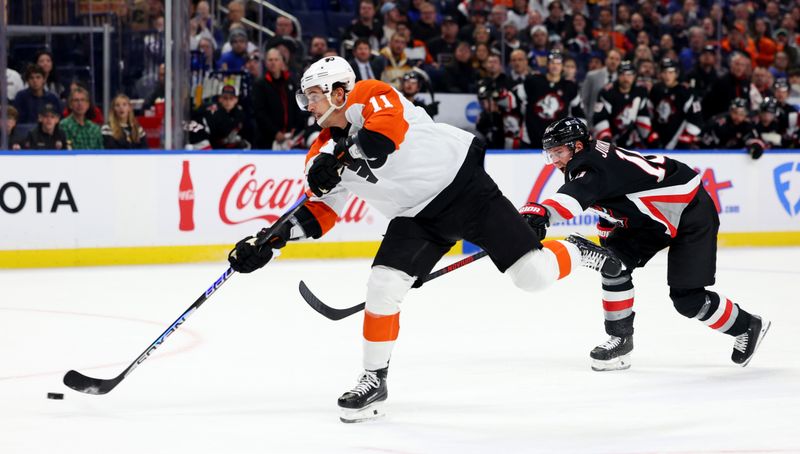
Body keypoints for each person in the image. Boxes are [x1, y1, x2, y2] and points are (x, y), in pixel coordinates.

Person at [226, 56, 621, 423]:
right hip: (415, 217)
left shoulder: (370, 95)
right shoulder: (319, 153)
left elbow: (383, 141)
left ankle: (575, 248)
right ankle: (373, 380)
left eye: (313, 96)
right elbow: (320, 212)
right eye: (305, 97)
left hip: (465, 189)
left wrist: (340, 153)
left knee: (533, 277)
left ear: (339, 92)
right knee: (382, 285)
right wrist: (269, 240)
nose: (307, 105)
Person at [526, 117, 770, 372]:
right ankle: (620, 340)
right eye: (550, 154)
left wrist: (539, 214)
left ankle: (748, 325)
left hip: (689, 210)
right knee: (613, 265)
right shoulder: (587, 160)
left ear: (576, 146)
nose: (554, 160)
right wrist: (609, 248)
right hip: (651, 220)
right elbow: (607, 201)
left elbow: (571, 199)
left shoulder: (591, 164)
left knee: (688, 300)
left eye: (558, 152)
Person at [519, 51, 586, 149]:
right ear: (547, 65)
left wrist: (580, 134)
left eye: (558, 63)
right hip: (530, 139)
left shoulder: (569, 87)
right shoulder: (532, 81)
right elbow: (515, 102)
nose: (555, 66)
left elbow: (578, 112)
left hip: (560, 142)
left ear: (562, 66)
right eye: (552, 63)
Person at [592, 60, 657, 149]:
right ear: (618, 76)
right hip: (611, 138)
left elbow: (643, 116)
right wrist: (606, 140)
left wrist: (650, 137)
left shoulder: (640, 91)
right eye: (622, 74)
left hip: (632, 140)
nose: (626, 78)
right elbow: (600, 118)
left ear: (634, 76)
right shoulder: (607, 92)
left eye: (629, 74)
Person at [648, 58, 703, 149]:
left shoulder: (686, 91)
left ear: (676, 74)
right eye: (664, 72)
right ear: (660, 74)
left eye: (670, 72)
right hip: (659, 140)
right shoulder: (656, 90)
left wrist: (686, 136)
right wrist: (652, 132)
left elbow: (696, 118)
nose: (667, 76)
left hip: (679, 141)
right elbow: (650, 113)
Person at [200, 84, 251, 149]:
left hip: (235, 151)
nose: (228, 101)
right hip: (216, 150)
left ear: (236, 100)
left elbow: (247, 135)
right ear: (220, 99)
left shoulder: (241, 115)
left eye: (231, 98)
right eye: (225, 98)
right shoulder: (213, 114)